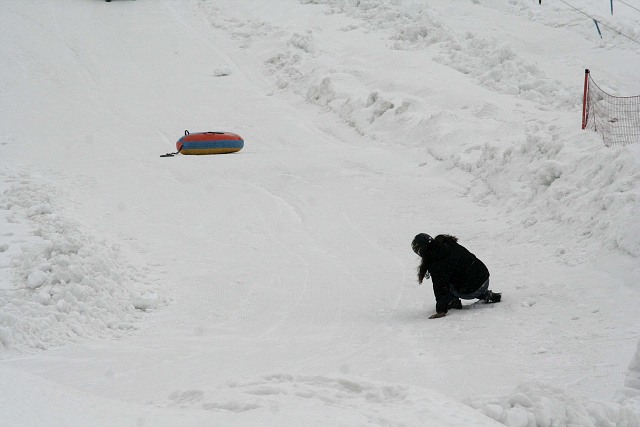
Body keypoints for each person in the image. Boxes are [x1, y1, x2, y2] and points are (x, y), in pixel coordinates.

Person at [411, 233, 501, 319]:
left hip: (471, 290)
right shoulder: (446, 243)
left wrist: (441, 310)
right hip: (484, 277)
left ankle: (453, 301)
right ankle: (485, 294)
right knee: (461, 273)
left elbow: (441, 287)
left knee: (448, 281)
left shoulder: (436, 262)